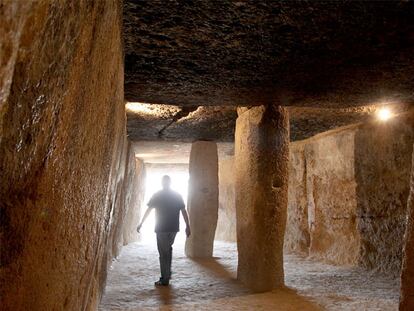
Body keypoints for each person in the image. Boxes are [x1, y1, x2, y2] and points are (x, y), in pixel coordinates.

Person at [137, 175, 191, 286]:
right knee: (168, 249)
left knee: (163, 253)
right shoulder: (177, 195)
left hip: (161, 228)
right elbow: (183, 211)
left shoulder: (157, 195)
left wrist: (141, 223)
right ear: (170, 183)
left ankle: (164, 279)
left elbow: (149, 210)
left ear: (162, 183)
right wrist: (187, 225)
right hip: (173, 228)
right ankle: (167, 272)